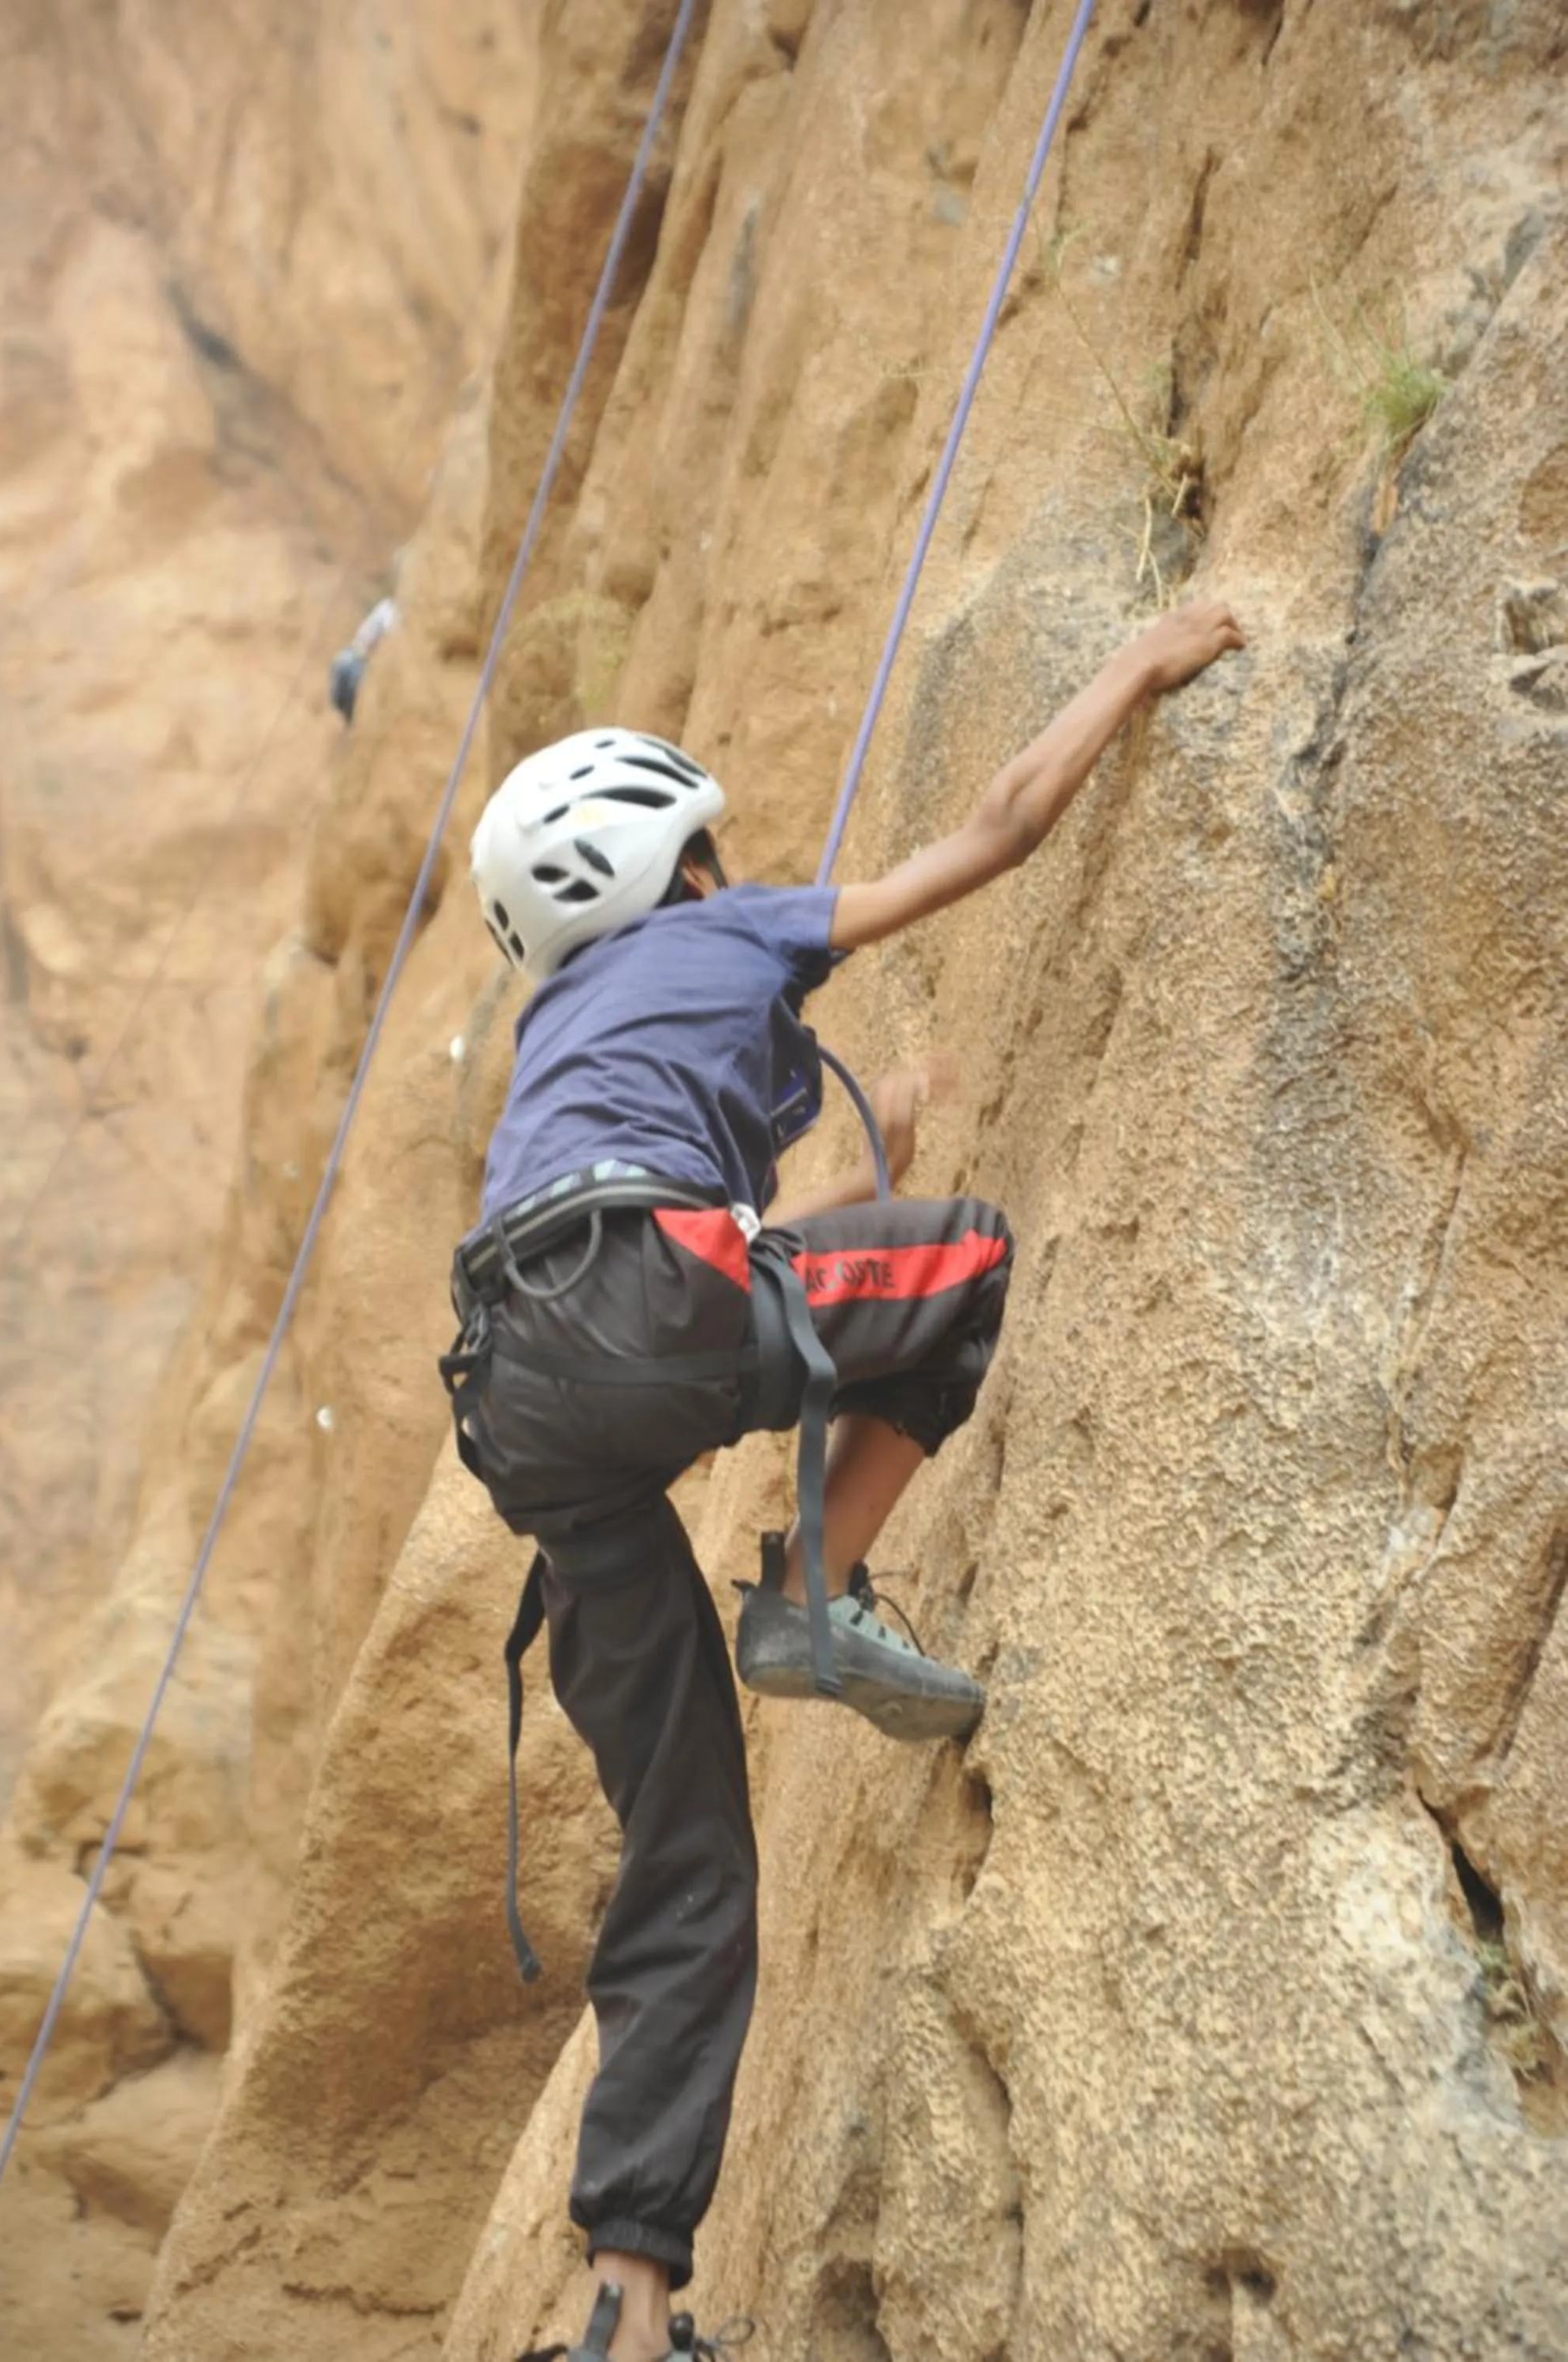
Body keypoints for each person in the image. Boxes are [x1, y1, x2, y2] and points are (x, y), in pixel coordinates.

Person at [443, 598, 1245, 2362]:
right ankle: (814, 1591)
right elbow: (996, 831)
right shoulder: (731, 937)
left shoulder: (554, 1045)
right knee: (959, 1265)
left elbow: (651, 1251)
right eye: (715, 855)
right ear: (687, 863)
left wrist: (884, 1107)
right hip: (646, 1310)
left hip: (519, 1401)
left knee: (688, 1854)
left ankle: (629, 2306)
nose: (738, 874)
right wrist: (1139, 664)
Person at [327, 593, 399, 725]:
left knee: (355, 683)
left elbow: (391, 638)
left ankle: (352, 718)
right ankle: (344, 712)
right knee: (340, 665)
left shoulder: (394, 614)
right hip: (355, 650)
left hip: (367, 661)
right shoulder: (385, 606)